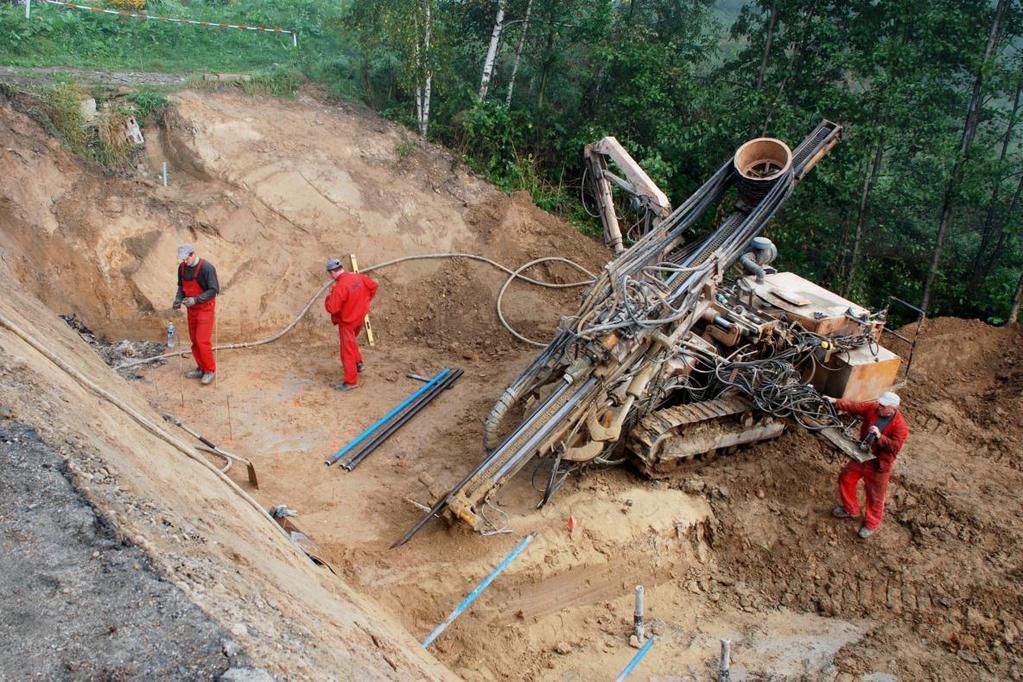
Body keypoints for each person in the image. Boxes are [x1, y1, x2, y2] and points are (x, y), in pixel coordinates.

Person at [826, 391, 909, 539]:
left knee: (875, 496)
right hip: (863, 456)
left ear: (892, 409)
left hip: (879, 464)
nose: (879, 407)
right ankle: (851, 509)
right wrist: (835, 401)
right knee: (846, 479)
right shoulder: (873, 408)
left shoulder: (900, 427)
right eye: (880, 404)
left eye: (883, 406)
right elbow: (855, 406)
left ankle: (871, 523)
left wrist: (880, 437)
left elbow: (895, 447)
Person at [324, 257, 378, 392]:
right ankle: (358, 363)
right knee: (352, 342)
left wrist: (328, 297)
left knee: (346, 351)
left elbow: (332, 308)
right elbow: (373, 286)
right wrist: (365, 301)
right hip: (359, 317)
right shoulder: (358, 277)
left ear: (332, 272)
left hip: (347, 322)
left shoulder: (340, 287)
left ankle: (350, 381)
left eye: (330, 274)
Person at [173, 244, 219, 385]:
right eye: (182, 260)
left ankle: (210, 370)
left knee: (202, 340)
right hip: (191, 309)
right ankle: (201, 368)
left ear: (193, 254)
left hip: (205, 308)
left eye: (186, 259)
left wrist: (196, 299)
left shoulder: (207, 268)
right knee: (194, 340)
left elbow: (214, 290)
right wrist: (178, 299)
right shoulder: (182, 268)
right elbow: (181, 286)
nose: (184, 262)